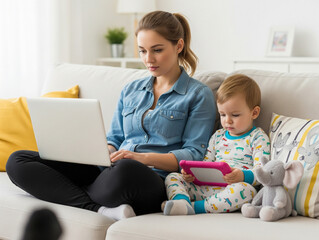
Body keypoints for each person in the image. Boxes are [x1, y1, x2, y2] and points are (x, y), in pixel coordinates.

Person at [6, 11, 216, 221]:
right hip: (110, 169)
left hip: (151, 178)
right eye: (142, 51)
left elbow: (194, 154)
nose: (148, 59)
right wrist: (102, 152)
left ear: (178, 46)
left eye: (157, 50)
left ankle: (64, 189)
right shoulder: (131, 90)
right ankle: (99, 208)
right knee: (18, 161)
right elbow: (114, 138)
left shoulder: (198, 94)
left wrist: (141, 158)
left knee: (125, 170)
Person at [163, 74, 271, 215]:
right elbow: (206, 163)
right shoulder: (218, 136)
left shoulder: (258, 137)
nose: (227, 121)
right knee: (173, 177)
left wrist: (243, 176)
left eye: (235, 115)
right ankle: (181, 203)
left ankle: (193, 208)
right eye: (222, 114)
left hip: (233, 190)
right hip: (207, 187)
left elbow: (263, 172)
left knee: (246, 191)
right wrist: (192, 175)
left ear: (254, 112)